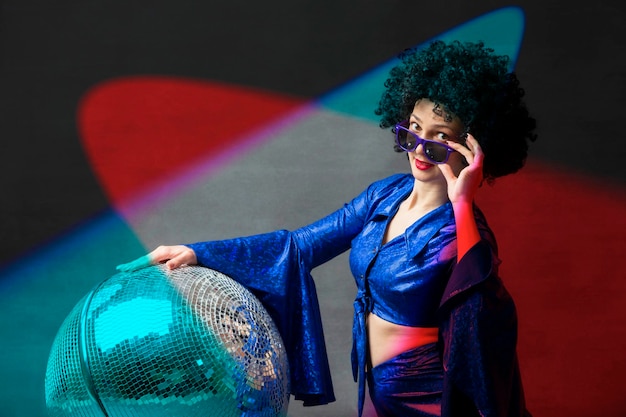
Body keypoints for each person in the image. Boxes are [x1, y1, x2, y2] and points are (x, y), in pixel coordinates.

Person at [117, 40, 537, 417]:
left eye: (439, 138)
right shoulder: (384, 196)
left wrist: (463, 201)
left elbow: (478, 312)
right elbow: (299, 246)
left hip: (434, 400)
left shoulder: (463, 233)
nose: (419, 149)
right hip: (378, 393)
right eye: (412, 130)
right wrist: (198, 253)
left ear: (474, 147)